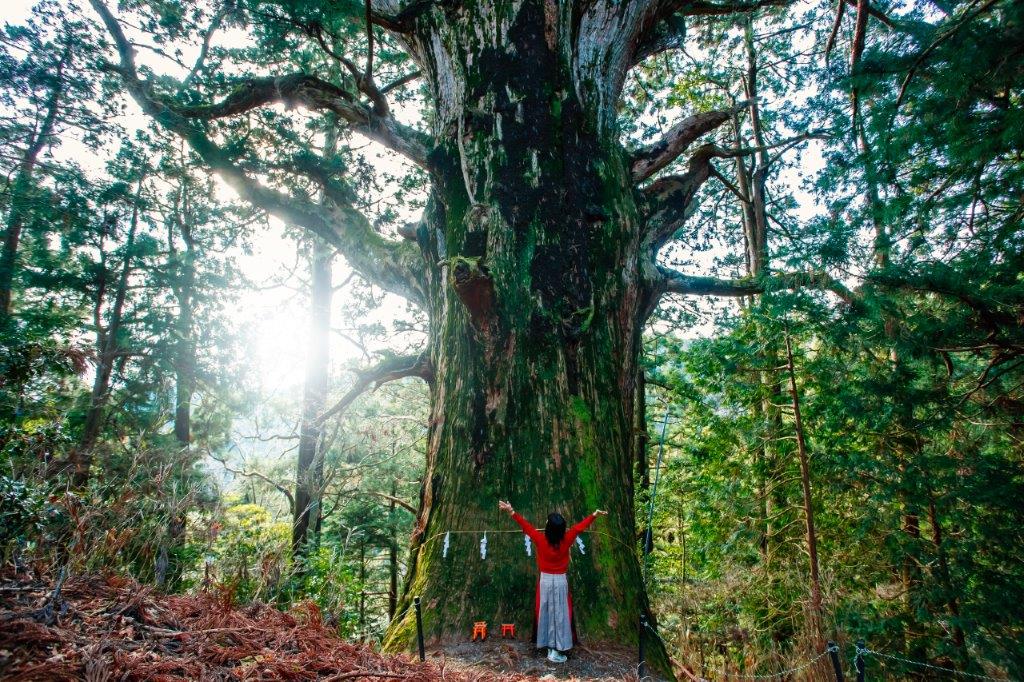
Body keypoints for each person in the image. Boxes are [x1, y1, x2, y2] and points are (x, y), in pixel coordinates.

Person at [498, 500, 607, 663]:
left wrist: (511, 511)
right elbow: (578, 528)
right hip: (561, 581)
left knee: (547, 612)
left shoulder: (540, 539)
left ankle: (549, 647)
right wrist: (594, 515)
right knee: (561, 614)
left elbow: (526, 526)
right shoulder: (567, 539)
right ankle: (556, 648)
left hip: (546, 581)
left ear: (548, 528)